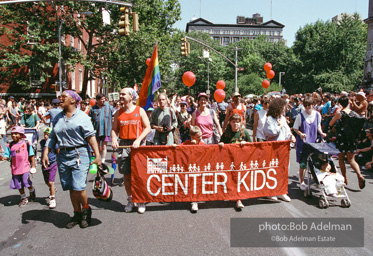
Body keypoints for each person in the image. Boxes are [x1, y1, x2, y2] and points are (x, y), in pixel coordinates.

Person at [42, 90, 102, 229]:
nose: (60, 98)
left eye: (64, 97)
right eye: (60, 96)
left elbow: (91, 137)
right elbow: (52, 136)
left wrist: (97, 156)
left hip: (79, 154)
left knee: (79, 186)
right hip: (62, 155)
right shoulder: (58, 117)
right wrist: (46, 151)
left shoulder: (82, 117)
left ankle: (86, 210)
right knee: (70, 186)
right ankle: (77, 213)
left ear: (73, 101)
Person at [111, 88, 150, 214]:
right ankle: (130, 199)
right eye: (120, 94)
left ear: (131, 96)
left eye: (123, 94)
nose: (121, 96)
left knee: (139, 175)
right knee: (126, 174)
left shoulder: (140, 110)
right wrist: (114, 139)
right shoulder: (118, 112)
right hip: (123, 145)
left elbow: (147, 128)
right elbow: (114, 129)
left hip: (137, 146)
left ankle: (141, 200)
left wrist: (138, 140)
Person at [329, 96, 366, 189]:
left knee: (341, 158)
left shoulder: (340, 113)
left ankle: (345, 178)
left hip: (342, 138)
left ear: (340, 104)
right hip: (352, 138)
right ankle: (359, 175)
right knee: (351, 159)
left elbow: (331, 123)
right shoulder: (354, 114)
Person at [263, 98, 295, 202]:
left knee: (284, 170)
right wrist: (279, 126)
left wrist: (291, 136)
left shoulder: (282, 118)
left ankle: (282, 191)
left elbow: (287, 130)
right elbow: (269, 132)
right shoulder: (269, 119)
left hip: (284, 148)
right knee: (273, 170)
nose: (285, 110)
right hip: (274, 148)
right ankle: (270, 192)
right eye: (283, 108)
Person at [219, 113, 252, 209]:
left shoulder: (244, 132)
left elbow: (251, 146)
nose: (235, 124)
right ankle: (231, 194)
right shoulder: (226, 133)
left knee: (239, 179)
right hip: (229, 161)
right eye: (233, 122)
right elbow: (221, 143)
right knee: (231, 178)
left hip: (241, 161)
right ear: (230, 122)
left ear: (240, 123)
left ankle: (239, 199)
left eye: (238, 122)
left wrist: (245, 143)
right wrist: (221, 144)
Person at [293, 98, 326, 190]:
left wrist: (321, 133)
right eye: (306, 105)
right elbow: (295, 128)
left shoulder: (317, 114)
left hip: (313, 142)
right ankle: (302, 182)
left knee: (314, 162)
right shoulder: (300, 116)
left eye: (310, 105)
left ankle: (316, 180)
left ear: (313, 105)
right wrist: (300, 134)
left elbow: (318, 126)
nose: (308, 107)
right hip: (303, 142)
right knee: (303, 162)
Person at [0, 126, 36, 207]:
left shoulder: (26, 143)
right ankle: (23, 198)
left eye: (16, 134)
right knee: (18, 184)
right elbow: (6, 155)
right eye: (12, 134)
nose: (13, 136)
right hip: (15, 168)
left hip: (25, 167)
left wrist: (33, 166)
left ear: (21, 134)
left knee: (25, 181)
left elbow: (31, 155)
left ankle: (31, 189)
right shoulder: (10, 145)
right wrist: (3, 157)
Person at [173, 125, 204, 212]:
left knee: (198, 183)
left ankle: (196, 199)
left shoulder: (202, 143)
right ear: (192, 137)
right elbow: (179, 148)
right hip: (189, 167)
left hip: (199, 167)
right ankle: (193, 200)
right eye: (198, 137)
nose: (201, 138)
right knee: (192, 184)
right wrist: (174, 146)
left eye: (201, 136)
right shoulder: (187, 143)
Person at [89, 93, 114, 163]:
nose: (103, 100)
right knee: (96, 146)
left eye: (104, 99)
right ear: (97, 100)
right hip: (96, 130)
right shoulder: (93, 109)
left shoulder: (109, 107)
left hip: (106, 130)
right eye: (101, 99)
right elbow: (90, 119)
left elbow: (115, 115)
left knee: (104, 146)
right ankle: (97, 158)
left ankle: (103, 160)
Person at [40, 127, 58, 209]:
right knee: (47, 182)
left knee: (51, 182)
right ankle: (52, 189)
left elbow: (58, 152)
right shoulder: (42, 142)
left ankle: (52, 198)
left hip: (52, 164)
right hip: (44, 165)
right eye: (45, 135)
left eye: (48, 135)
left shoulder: (54, 143)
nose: (46, 136)